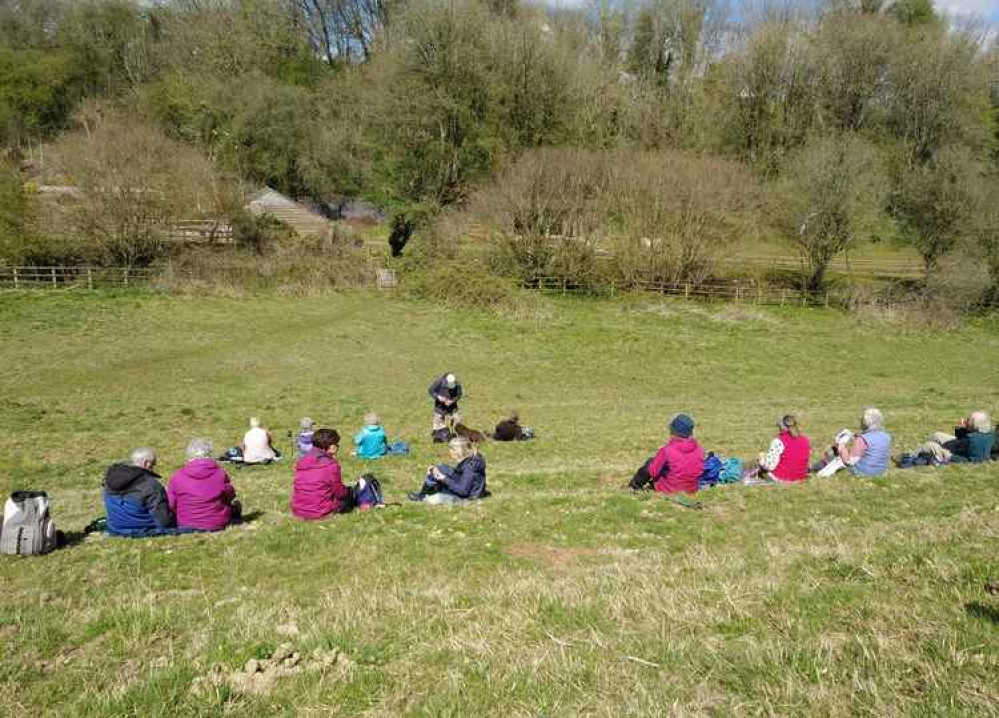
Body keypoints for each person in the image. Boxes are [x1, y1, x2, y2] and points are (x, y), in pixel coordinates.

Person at [168, 439, 241, 531]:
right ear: (209, 455)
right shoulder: (219, 473)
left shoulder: (177, 476)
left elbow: (171, 503)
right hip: (217, 523)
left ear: (189, 456)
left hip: (186, 524)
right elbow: (230, 495)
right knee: (236, 506)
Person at [103, 448, 177, 536]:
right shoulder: (151, 485)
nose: (153, 468)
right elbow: (164, 521)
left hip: (115, 528)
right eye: (153, 464)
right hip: (141, 529)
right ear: (146, 463)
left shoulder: (109, 478)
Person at [291, 428, 353, 520]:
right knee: (350, 494)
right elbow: (339, 493)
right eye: (337, 444)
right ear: (332, 447)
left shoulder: (302, 461)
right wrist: (348, 491)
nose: (337, 446)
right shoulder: (331, 466)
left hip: (298, 510)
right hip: (320, 511)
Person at [815, 407, 892, 478]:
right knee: (847, 451)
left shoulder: (862, 439)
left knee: (838, 456)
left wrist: (841, 445)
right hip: (881, 472)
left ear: (865, 422)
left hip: (863, 473)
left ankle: (820, 473)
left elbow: (849, 461)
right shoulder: (886, 436)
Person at [408, 436, 487, 504]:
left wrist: (444, 479)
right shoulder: (469, 460)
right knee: (442, 468)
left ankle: (424, 497)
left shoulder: (470, 467)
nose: (449, 452)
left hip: (467, 497)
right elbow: (462, 477)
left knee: (436, 496)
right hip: (464, 487)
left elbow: (463, 491)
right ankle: (423, 494)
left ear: (458, 451)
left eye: (451, 449)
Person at [647, 414, 705, 494]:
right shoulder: (700, 449)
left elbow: (653, 472)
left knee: (650, 462)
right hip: (692, 489)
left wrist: (658, 456)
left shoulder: (666, 450)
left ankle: (634, 487)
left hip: (669, 489)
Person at [745, 415, 811, 483]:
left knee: (754, 466)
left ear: (782, 427)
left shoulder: (779, 441)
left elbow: (770, 466)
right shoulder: (806, 440)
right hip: (800, 478)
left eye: (779, 427)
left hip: (781, 478)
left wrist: (760, 459)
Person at [917, 410, 995, 463]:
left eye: (968, 420)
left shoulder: (975, 441)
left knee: (929, 445)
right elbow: (962, 439)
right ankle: (922, 454)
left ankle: (911, 457)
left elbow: (972, 461)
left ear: (975, 426)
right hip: (958, 446)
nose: (965, 420)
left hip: (954, 454)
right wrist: (961, 429)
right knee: (937, 435)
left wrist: (950, 457)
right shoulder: (984, 431)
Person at [429, 373, 462, 438]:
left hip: (452, 405)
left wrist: (452, 401)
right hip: (440, 405)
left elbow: (459, 394)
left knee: (457, 419)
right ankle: (440, 436)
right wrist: (438, 397)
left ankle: (458, 434)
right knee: (438, 420)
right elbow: (431, 390)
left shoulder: (457, 384)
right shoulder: (439, 382)